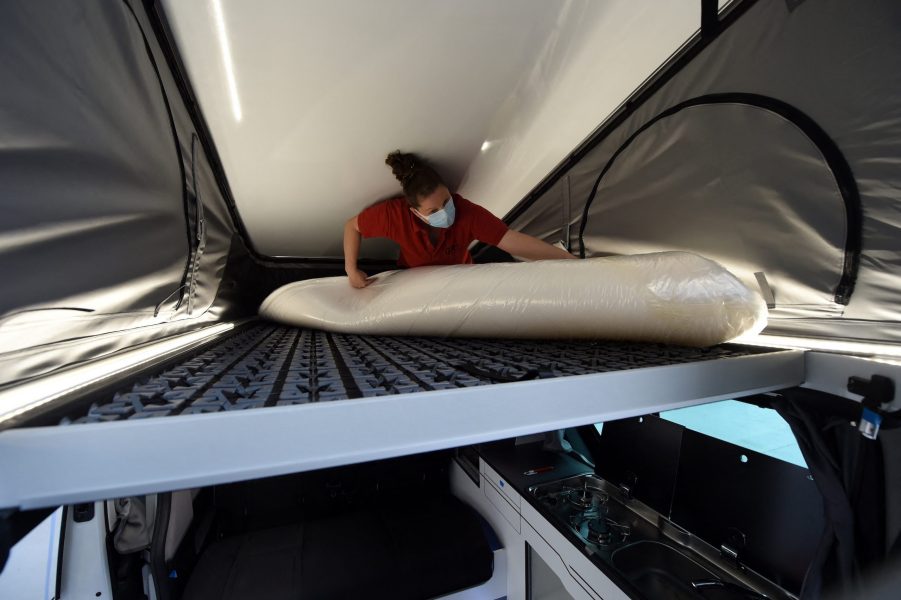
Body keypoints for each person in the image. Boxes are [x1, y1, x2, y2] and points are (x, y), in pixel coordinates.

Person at [344, 151, 576, 288]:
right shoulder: (394, 216)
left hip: (460, 278)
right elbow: (352, 226)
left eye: (446, 202)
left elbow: (511, 240)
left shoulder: (466, 212)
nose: (444, 212)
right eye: (432, 211)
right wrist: (351, 270)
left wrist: (569, 261)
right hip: (414, 281)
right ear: (414, 212)